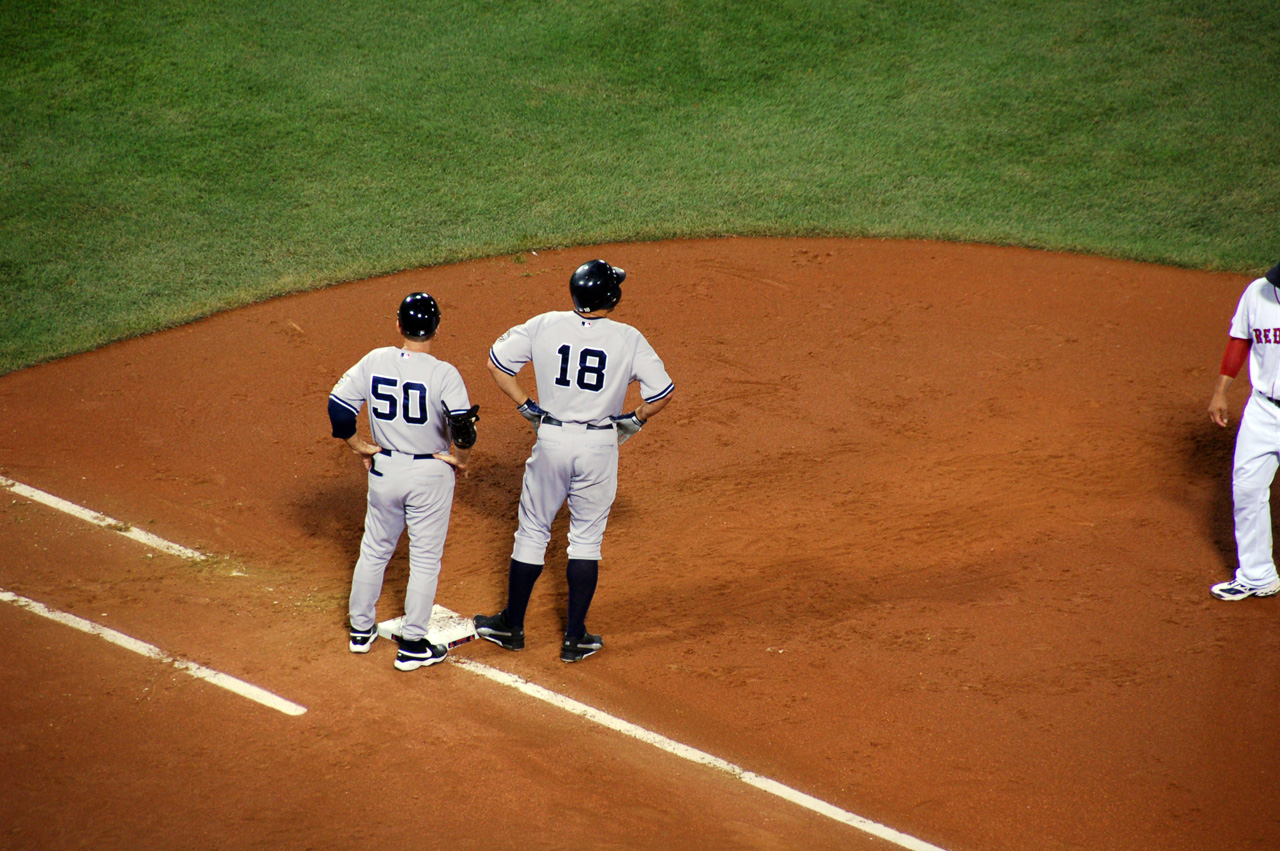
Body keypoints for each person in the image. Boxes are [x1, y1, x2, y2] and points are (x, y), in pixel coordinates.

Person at [474, 260, 674, 662]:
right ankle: (575, 637)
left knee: (531, 531)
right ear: (612, 298)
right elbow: (662, 393)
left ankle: (512, 626)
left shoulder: (545, 324)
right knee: (586, 539)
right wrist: (634, 420)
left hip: (551, 438)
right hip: (599, 446)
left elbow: (498, 363)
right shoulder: (629, 338)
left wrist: (526, 405)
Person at [328, 292, 479, 670]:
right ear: (437, 328)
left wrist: (360, 446)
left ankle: (360, 631)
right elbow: (462, 427)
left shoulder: (375, 360)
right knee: (425, 560)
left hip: (384, 470)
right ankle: (413, 645)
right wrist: (460, 461)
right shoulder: (444, 373)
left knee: (375, 549)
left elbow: (338, 408)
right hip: (430, 472)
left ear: (399, 325)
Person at [1207, 261, 1280, 601]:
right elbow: (1240, 339)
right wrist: (1221, 390)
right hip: (1263, 408)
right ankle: (1257, 575)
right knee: (1247, 488)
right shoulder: (1257, 292)